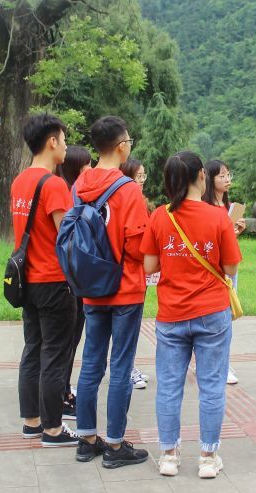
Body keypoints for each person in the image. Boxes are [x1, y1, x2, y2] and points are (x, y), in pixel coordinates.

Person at [141, 150, 242, 479]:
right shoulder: (217, 217)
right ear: (201, 176)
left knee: (169, 386)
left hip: (171, 313)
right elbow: (229, 266)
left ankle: (169, 455)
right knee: (212, 385)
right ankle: (208, 458)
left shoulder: (159, 216)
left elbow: (149, 266)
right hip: (212, 312)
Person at [73, 116, 150, 469]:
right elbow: (136, 248)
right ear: (121, 146)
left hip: (91, 287)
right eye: (129, 140)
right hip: (124, 289)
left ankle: (87, 439)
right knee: (120, 365)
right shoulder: (129, 190)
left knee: (91, 363)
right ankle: (116, 446)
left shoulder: (80, 184)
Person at [11, 113, 79, 446]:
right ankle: (53, 429)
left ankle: (31, 421)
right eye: (64, 140)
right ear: (52, 142)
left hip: (28, 282)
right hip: (54, 281)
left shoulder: (19, 181)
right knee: (56, 354)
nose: (65, 146)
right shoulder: (54, 185)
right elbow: (67, 239)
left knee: (33, 350)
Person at [56, 144, 92, 419]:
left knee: (63, 341)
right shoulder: (73, 194)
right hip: (71, 278)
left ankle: (62, 391)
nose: (91, 170)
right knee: (68, 340)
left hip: (63, 277)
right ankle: (63, 396)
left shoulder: (66, 189)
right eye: (87, 165)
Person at [202, 159, 246, 385]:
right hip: (216, 270)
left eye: (229, 175)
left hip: (230, 266)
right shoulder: (207, 207)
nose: (227, 180)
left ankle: (218, 363)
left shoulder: (226, 208)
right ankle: (220, 366)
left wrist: (235, 231)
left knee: (226, 317)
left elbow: (223, 241)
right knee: (221, 319)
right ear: (209, 179)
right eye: (222, 176)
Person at [119, 158, 151, 390]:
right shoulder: (129, 201)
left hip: (138, 274)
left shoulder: (142, 201)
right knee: (125, 331)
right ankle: (127, 369)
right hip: (127, 277)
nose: (141, 181)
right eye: (137, 176)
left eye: (143, 176)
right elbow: (135, 245)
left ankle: (129, 366)